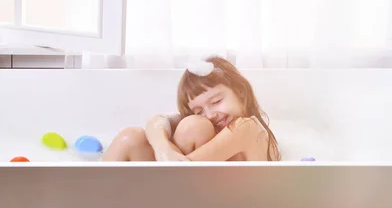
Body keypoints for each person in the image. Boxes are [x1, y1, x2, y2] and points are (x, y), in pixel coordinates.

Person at [102, 56, 280, 162]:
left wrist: (167, 156)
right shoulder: (214, 128)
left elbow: (183, 170)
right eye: (199, 111)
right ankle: (92, 195)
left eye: (217, 101)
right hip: (188, 192)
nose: (210, 115)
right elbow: (157, 121)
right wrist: (162, 147)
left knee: (193, 127)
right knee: (131, 136)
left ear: (240, 92)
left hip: (222, 207)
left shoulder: (247, 127)